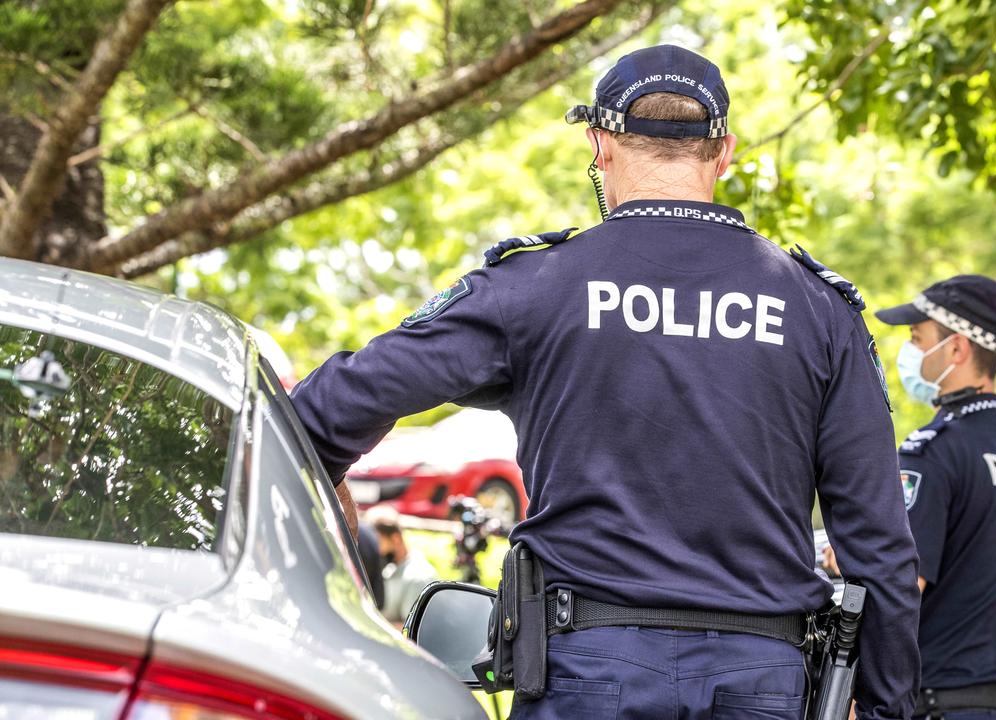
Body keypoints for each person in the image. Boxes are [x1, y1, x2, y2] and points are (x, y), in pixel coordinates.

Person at [289, 44, 920, 719]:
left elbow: (325, 413)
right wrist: (887, 710)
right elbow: (879, 548)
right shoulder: (818, 311)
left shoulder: (535, 287)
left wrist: (334, 578)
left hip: (588, 669)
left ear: (602, 144)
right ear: (725, 151)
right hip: (761, 678)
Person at [869, 276, 996, 719]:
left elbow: (902, 587)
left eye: (918, 338)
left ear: (956, 350)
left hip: (939, 701)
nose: (910, 351)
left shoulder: (932, 452)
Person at [366, 506, 438, 626]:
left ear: (395, 538)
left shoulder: (418, 577)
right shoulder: (390, 568)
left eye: (377, 542)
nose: (375, 549)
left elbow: (410, 631)